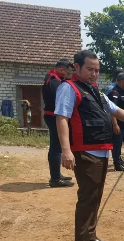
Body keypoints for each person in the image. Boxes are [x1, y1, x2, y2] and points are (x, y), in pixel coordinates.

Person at [55, 50, 124, 241]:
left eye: (97, 70)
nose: (94, 74)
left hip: (101, 151)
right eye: (90, 69)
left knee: (95, 196)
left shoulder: (94, 90)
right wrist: (66, 151)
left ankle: (90, 236)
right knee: (87, 198)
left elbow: (114, 110)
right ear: (76, 67)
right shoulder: (69, 88)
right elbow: (61, 118)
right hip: (85, 151)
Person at [43, 59, 75, 188]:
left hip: (52, 116)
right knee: (56, 147)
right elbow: (60, 100)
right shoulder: (54, 81)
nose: (70, 74)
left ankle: (56, 174)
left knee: (56, 146)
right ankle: (55, 179)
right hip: (54, 117)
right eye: (69, 72)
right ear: (62, 69)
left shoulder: (53, 78)